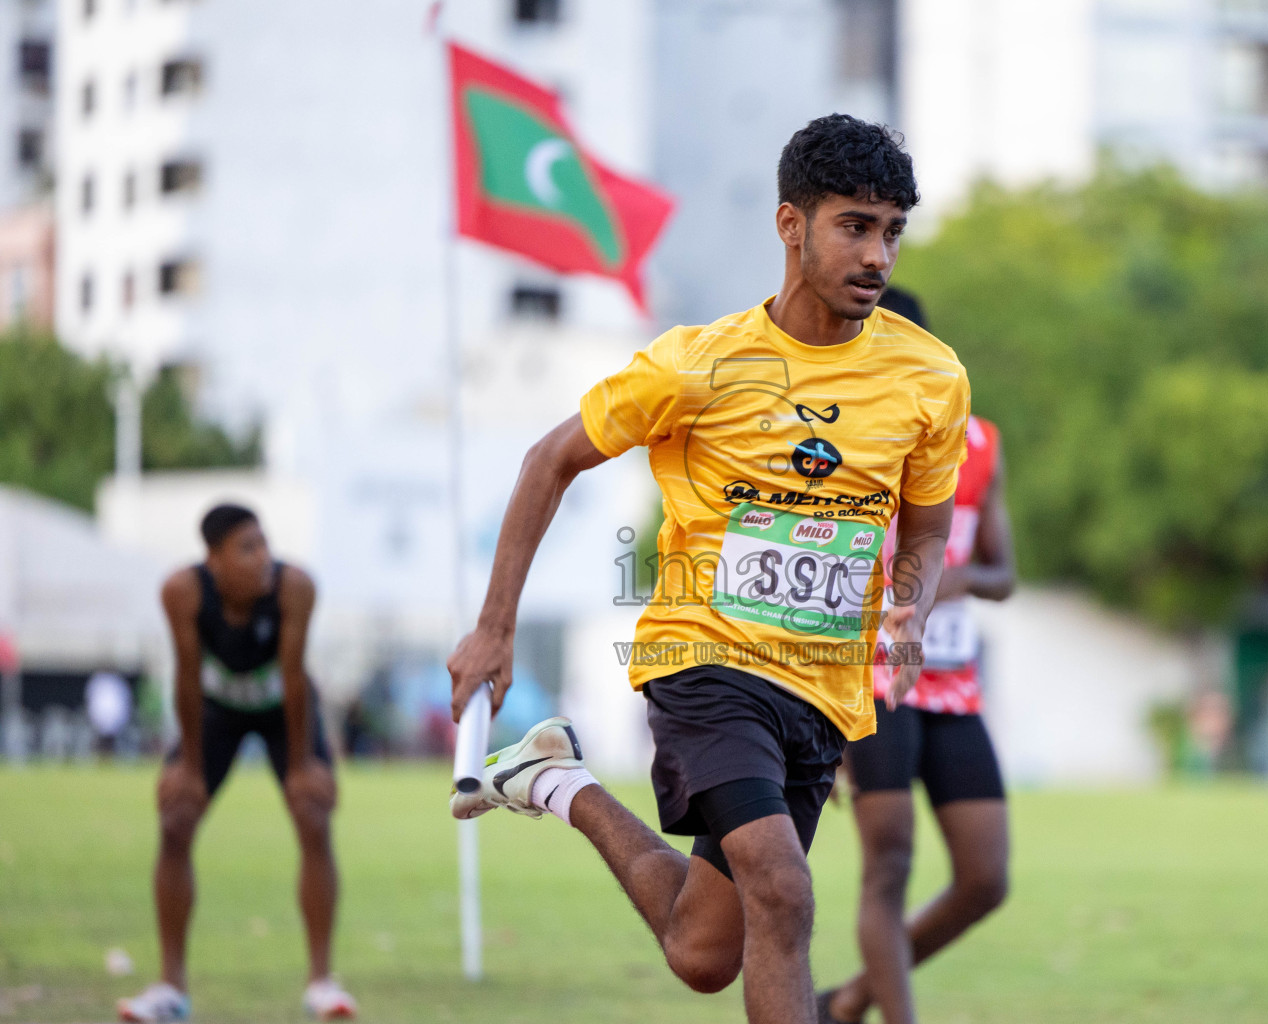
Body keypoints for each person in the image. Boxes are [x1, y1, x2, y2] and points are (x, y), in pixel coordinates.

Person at [447, 114, 971, 1024]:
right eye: (855, 225)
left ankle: (555, 781)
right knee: (788, 890)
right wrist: (494, 626)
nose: (879, 255)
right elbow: (549, 460)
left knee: (704, 952)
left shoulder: (931, 378)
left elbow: (926, 525)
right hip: (707, 662)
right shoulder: (700, 363)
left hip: (823, 693)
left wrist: (912, 607)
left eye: (893, 230)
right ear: (791, 225)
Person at [819, 288, 1015, 1024]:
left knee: (986, 876)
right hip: (870, 676)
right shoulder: (845, 444)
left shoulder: (978, 443)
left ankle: (847, 1002)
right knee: (889, 867)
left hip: (951, 682)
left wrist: (950, 580)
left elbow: (1006, 575)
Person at [117, 505, 356, 1023]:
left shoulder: (295, 588)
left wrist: (301, 767)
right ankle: (170, 988)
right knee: (175, 821)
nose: (264, 557)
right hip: (216, 710)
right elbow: (185, 677)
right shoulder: (181, 591)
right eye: (248, 548)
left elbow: (293, 678)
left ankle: (321, 982)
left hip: (282, 710)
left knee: (313, 816)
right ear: (215, 560)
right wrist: (190, 770)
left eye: (265, 543)